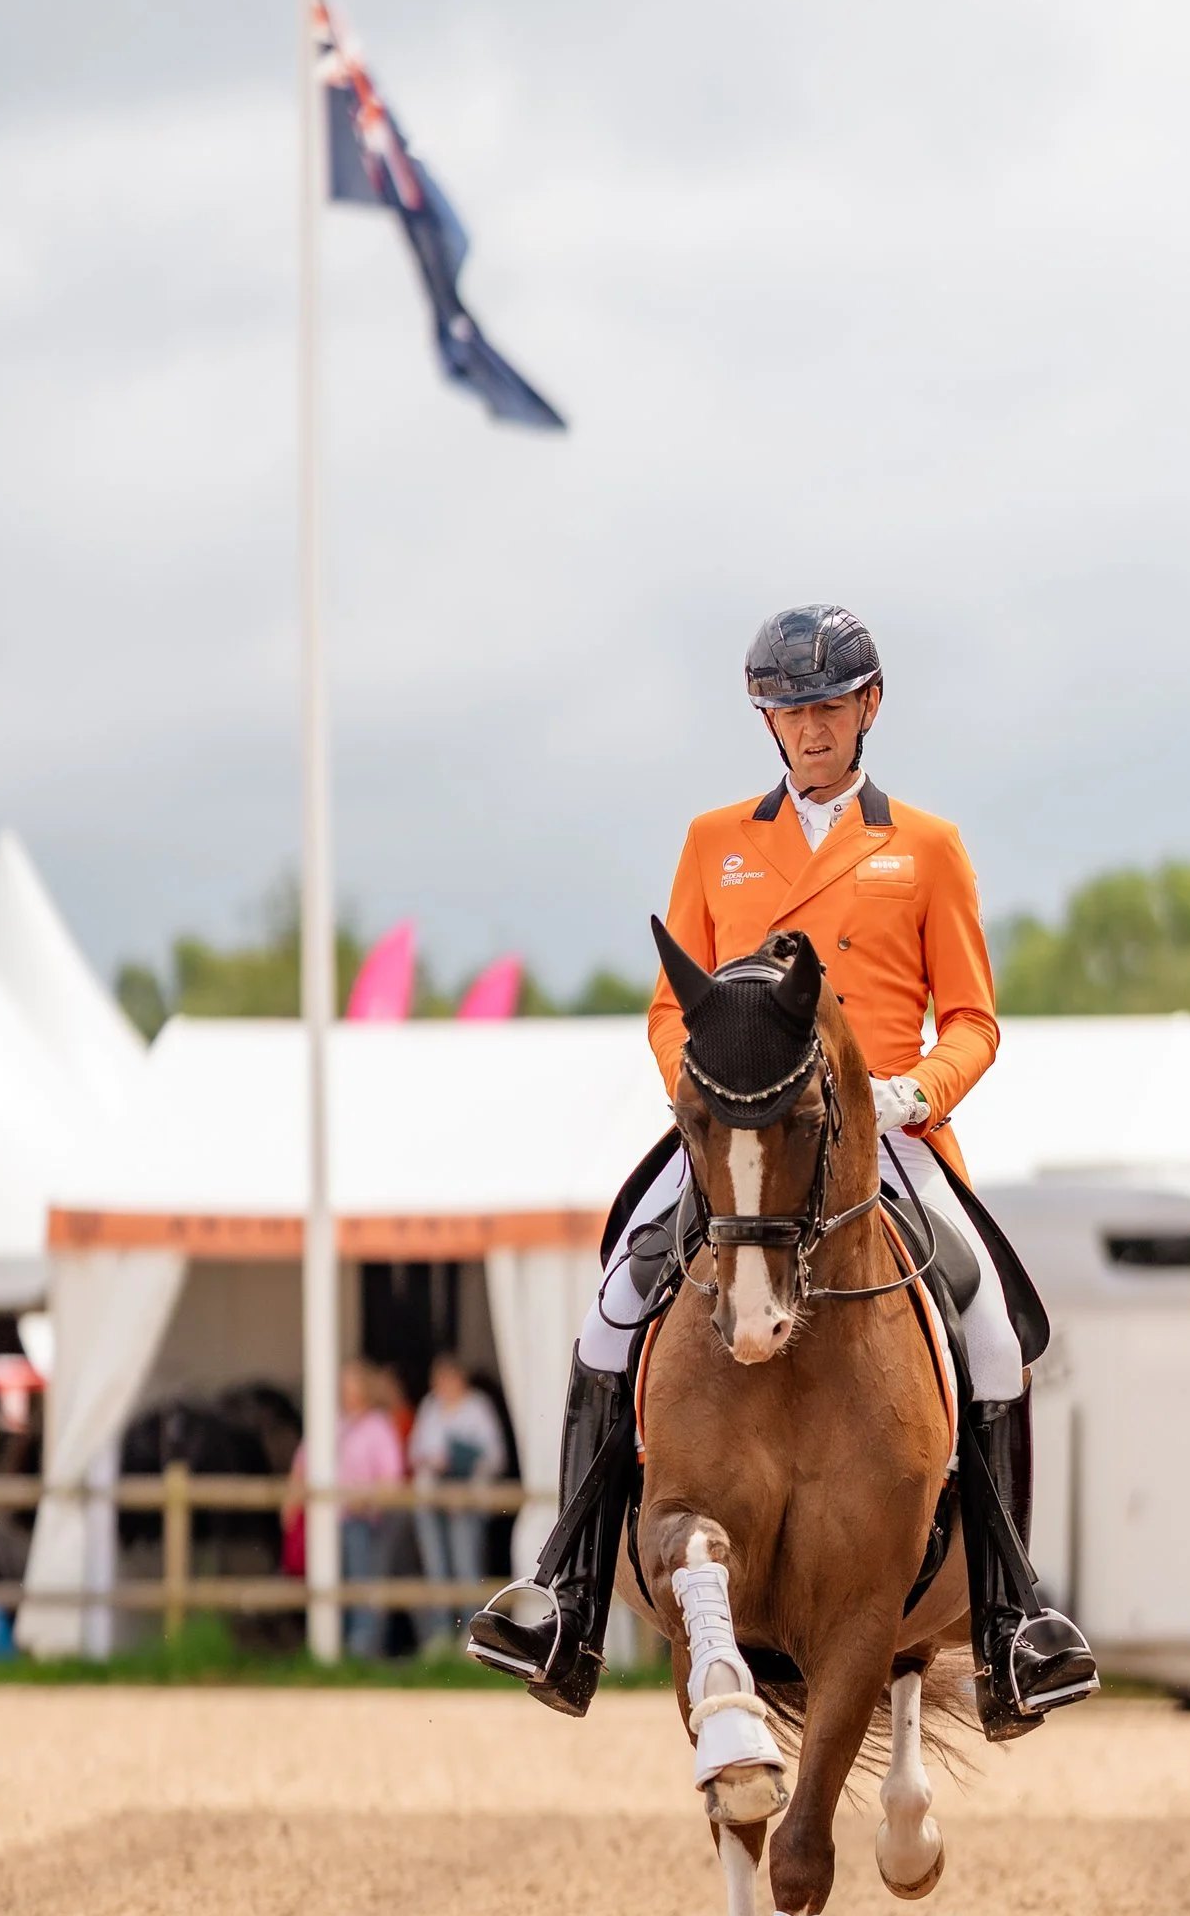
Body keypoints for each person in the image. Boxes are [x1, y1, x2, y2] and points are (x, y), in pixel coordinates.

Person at [468, 600, 1097, 1737]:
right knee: (613, 1304)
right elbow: (675, 1003)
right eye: (788, 710)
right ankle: (562, 1596)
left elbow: (974, 1019)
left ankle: (1009, 1625)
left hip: (881, 1137)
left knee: (993, 1327)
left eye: (826, 707)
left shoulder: (926, 848)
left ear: (867, 709)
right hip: (739, 1133)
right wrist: (694, 1086)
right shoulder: (717, 842)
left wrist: (915, 1093)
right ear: (768, 721)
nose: (809, 728)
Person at [410, 1351, 508, 1632]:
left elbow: (495, 1456)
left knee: (466, 1566)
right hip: (432, 1499)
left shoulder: (478, 1408)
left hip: (466, 1500)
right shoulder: (430, 1406)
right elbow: (415, 1450)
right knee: (436, 1568)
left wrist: (461, 1460)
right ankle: (442, 1632)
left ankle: (471, 1631)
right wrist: (434, 1461)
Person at [336, 1360, 411, 1662]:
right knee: (342, 1583)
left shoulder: (378, 1426)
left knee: (365, 1582)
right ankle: (343, 1647)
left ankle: (364, 1648)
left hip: (367, 1520)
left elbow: (392, 1477)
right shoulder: (337, 1424)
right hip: (337, 1518)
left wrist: (365, 1499)